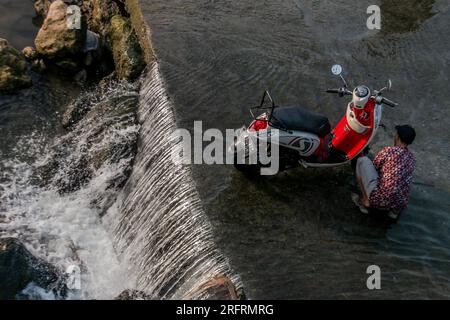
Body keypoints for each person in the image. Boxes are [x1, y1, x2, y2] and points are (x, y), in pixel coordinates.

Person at [352, 125, 416, 219]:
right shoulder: (412, 158)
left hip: (379, 199)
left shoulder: (389, 151)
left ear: (397, 137)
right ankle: (392, 213)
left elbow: (375, 167)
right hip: (399, 204)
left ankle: (365, 200)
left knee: (362, 161)